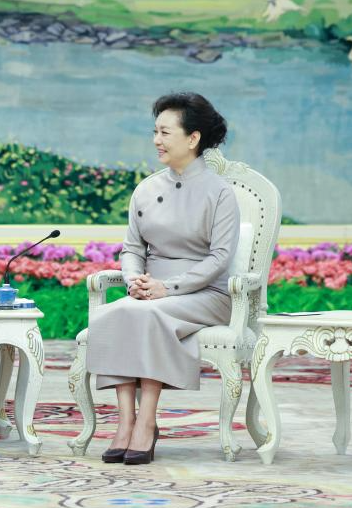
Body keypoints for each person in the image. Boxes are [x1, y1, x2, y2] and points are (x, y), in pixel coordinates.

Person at [86, 92, 239, 465]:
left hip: (204, 293)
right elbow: (132, 248)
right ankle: (125, 422)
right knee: (114, 312)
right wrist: (133, 279)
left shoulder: (221, 194)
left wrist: (166, 287)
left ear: (193, 138)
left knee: (148, 313)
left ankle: (147, 421)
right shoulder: (147, 188)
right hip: (150, 289)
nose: (156, 140)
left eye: (165, 132)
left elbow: (220, 258)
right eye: (155, 131)